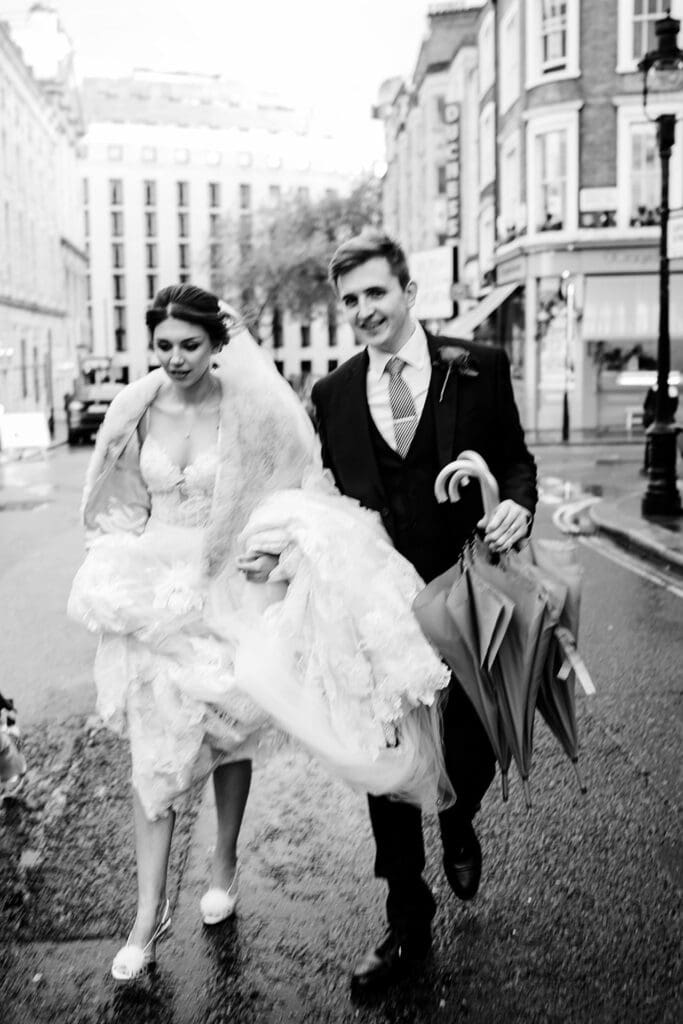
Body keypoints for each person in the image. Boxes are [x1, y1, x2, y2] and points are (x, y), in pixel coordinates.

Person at [68, 282, 454, 984]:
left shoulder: (252, 409)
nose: (176, 358)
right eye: (163, 345)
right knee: (154, 760)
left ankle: (223, 864)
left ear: (218, 346)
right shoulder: (134, 405)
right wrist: (118, 562)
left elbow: (301, 480)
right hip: (154, 598)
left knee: (228, 732)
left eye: (191, 345)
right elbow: (112, 499)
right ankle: (144, 919)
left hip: (226, 587)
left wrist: (272, 546)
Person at [311, 229, 538, 995]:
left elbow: (515, 459)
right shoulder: (332, 395)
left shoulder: (476, 366)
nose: (364, 309)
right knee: (388, 764)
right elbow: (327, 502)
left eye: (376, 292)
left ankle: (460, 812)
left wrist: (515, 506)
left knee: (466, 743)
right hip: (377, 606)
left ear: (408, 292)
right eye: (350, 300)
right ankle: (405, 922)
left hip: (465, 591)